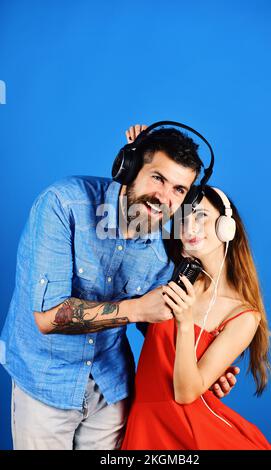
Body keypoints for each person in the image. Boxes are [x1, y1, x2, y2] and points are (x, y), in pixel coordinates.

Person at [0, 123, 239, 450]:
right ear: (129, 167)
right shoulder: (63, 204)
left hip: (111, 389)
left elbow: (157, 327)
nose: (163, 198)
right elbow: (48, 317)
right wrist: (137, 308)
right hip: (45, 383)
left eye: (179, 190)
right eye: (158, 178)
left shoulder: (162, 248)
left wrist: (203, 365)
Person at [121, 184, 271, 450]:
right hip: (144, 421)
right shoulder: (171, 279)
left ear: (226, 225)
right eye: (183, 218)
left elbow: (185, 394)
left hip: (192, 431)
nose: (189, 227)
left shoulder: (243, 316)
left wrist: (184, 323)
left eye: (201, 215)